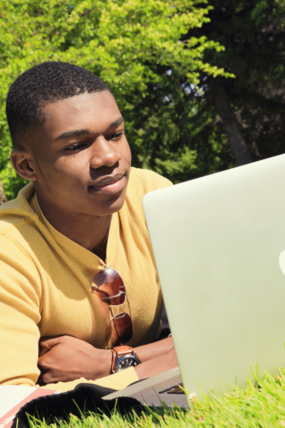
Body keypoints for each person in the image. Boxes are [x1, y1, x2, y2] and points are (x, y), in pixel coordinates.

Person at [0, 62, 178, 393]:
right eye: (75, 146)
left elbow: (230, 321)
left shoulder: (153, 196)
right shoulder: (9, 251)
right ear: (27, 166)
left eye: (115, 134)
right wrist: (169, 360)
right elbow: (10, 405)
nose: (108, 157)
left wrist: (109, 365)